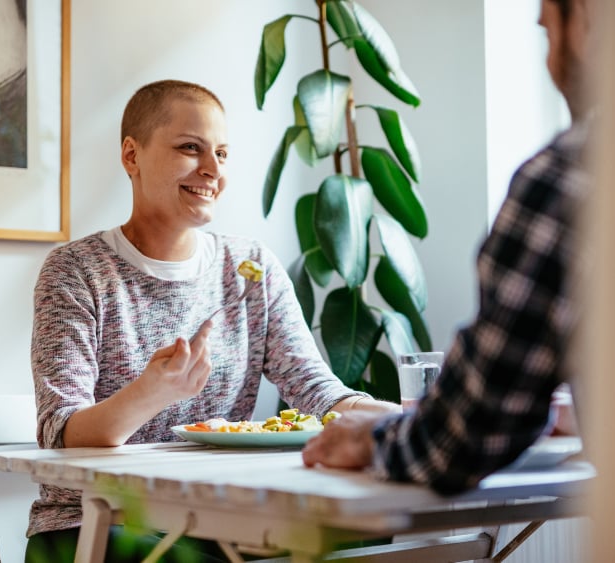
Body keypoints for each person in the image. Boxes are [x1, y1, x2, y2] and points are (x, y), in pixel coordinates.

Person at [26, 79, 400, 562]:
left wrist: (400, 420)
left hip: (218, 520)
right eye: (190, 148)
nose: (212, 171)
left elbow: (317, 391)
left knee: (363, 533)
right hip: (95, 524)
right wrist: (154, 390)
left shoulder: (250, 268)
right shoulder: (76, 271)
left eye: (222, 154)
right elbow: (62, 433)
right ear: (131, 156)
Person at [302, 0, 594, 494]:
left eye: (547, 34)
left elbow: (470, 429)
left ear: (584, 21)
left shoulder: (564, 179)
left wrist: (375, 436)